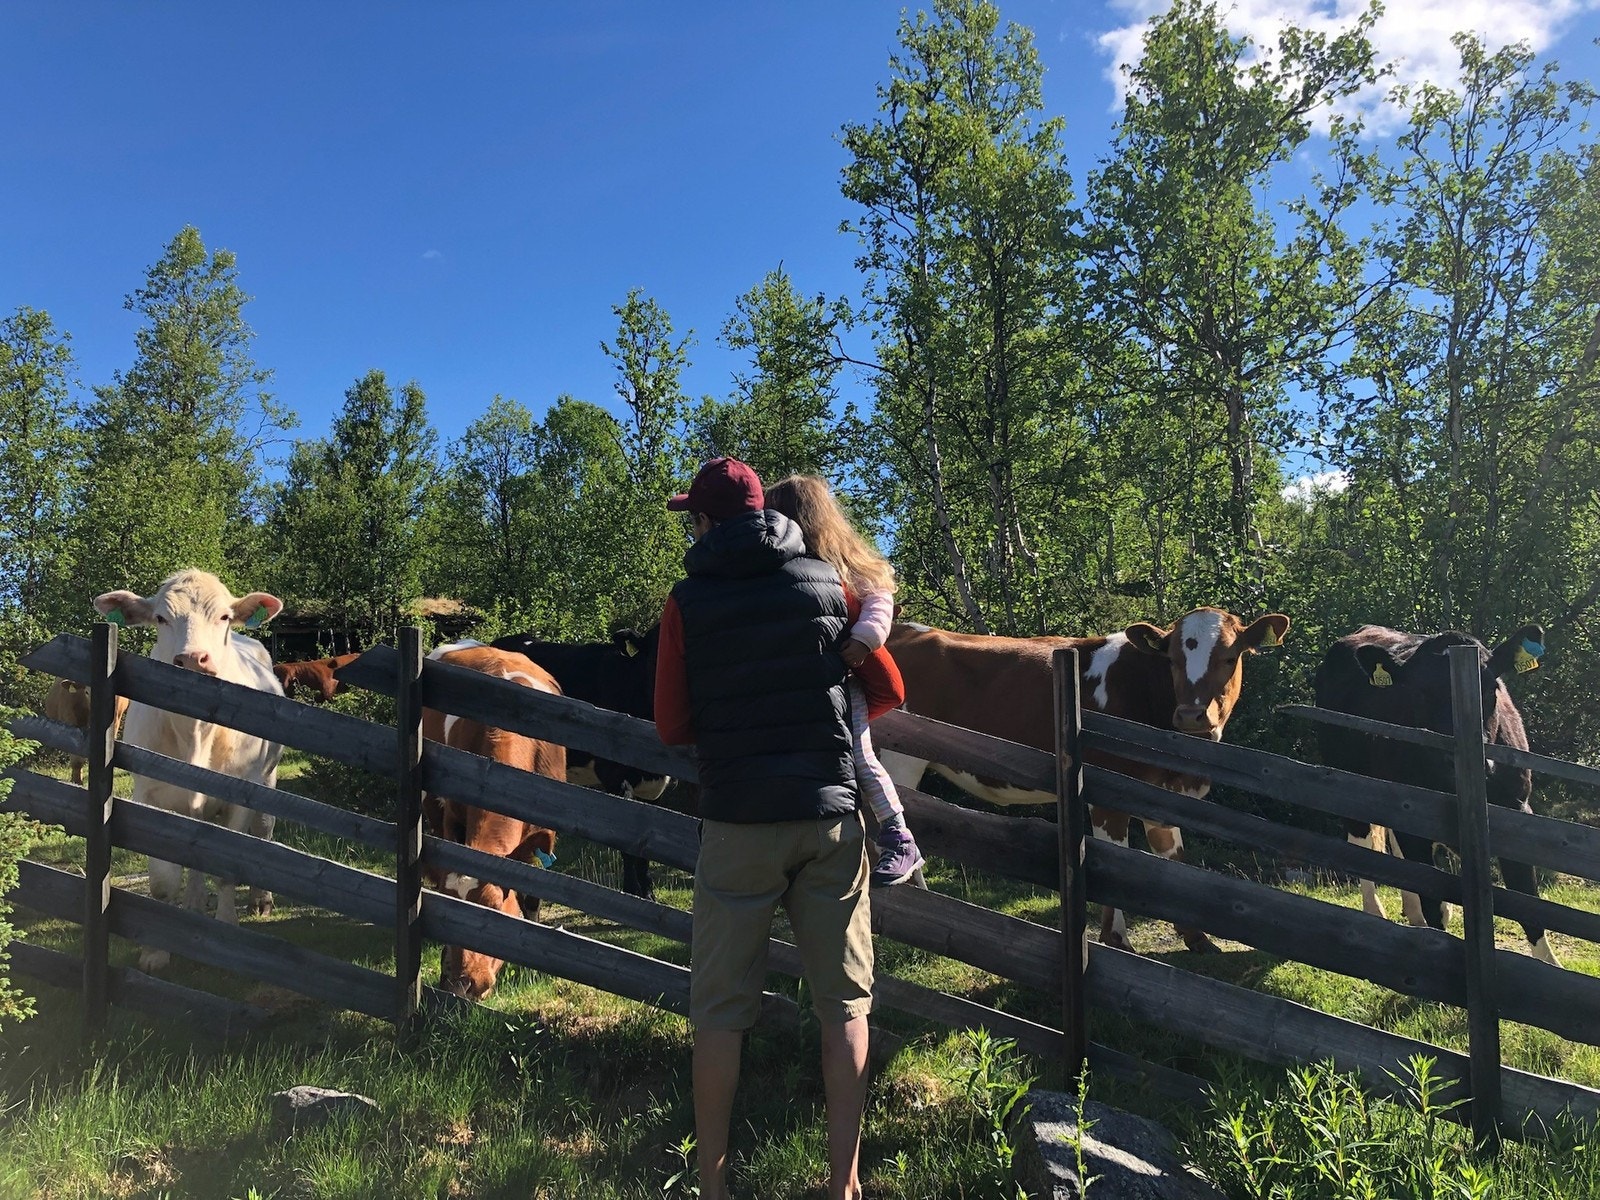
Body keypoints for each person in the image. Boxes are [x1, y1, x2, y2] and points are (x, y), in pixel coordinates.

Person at [654, 456, 903, 1200]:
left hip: (738, 821)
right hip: (828, 820)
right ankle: (843, 1183)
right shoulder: (829, 583)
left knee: (720, 1013)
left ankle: (714, 1187)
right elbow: (888, 686)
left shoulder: (686, 601)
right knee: (845, 1005)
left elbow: (671, 725)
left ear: (705, 523)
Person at [766, 474, 926, 887]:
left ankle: (898, 834)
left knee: (859, 755)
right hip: (806, 682)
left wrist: (864, 640)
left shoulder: (844, 565)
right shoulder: (778, 568)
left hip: (843, 679)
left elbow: (879, 598)